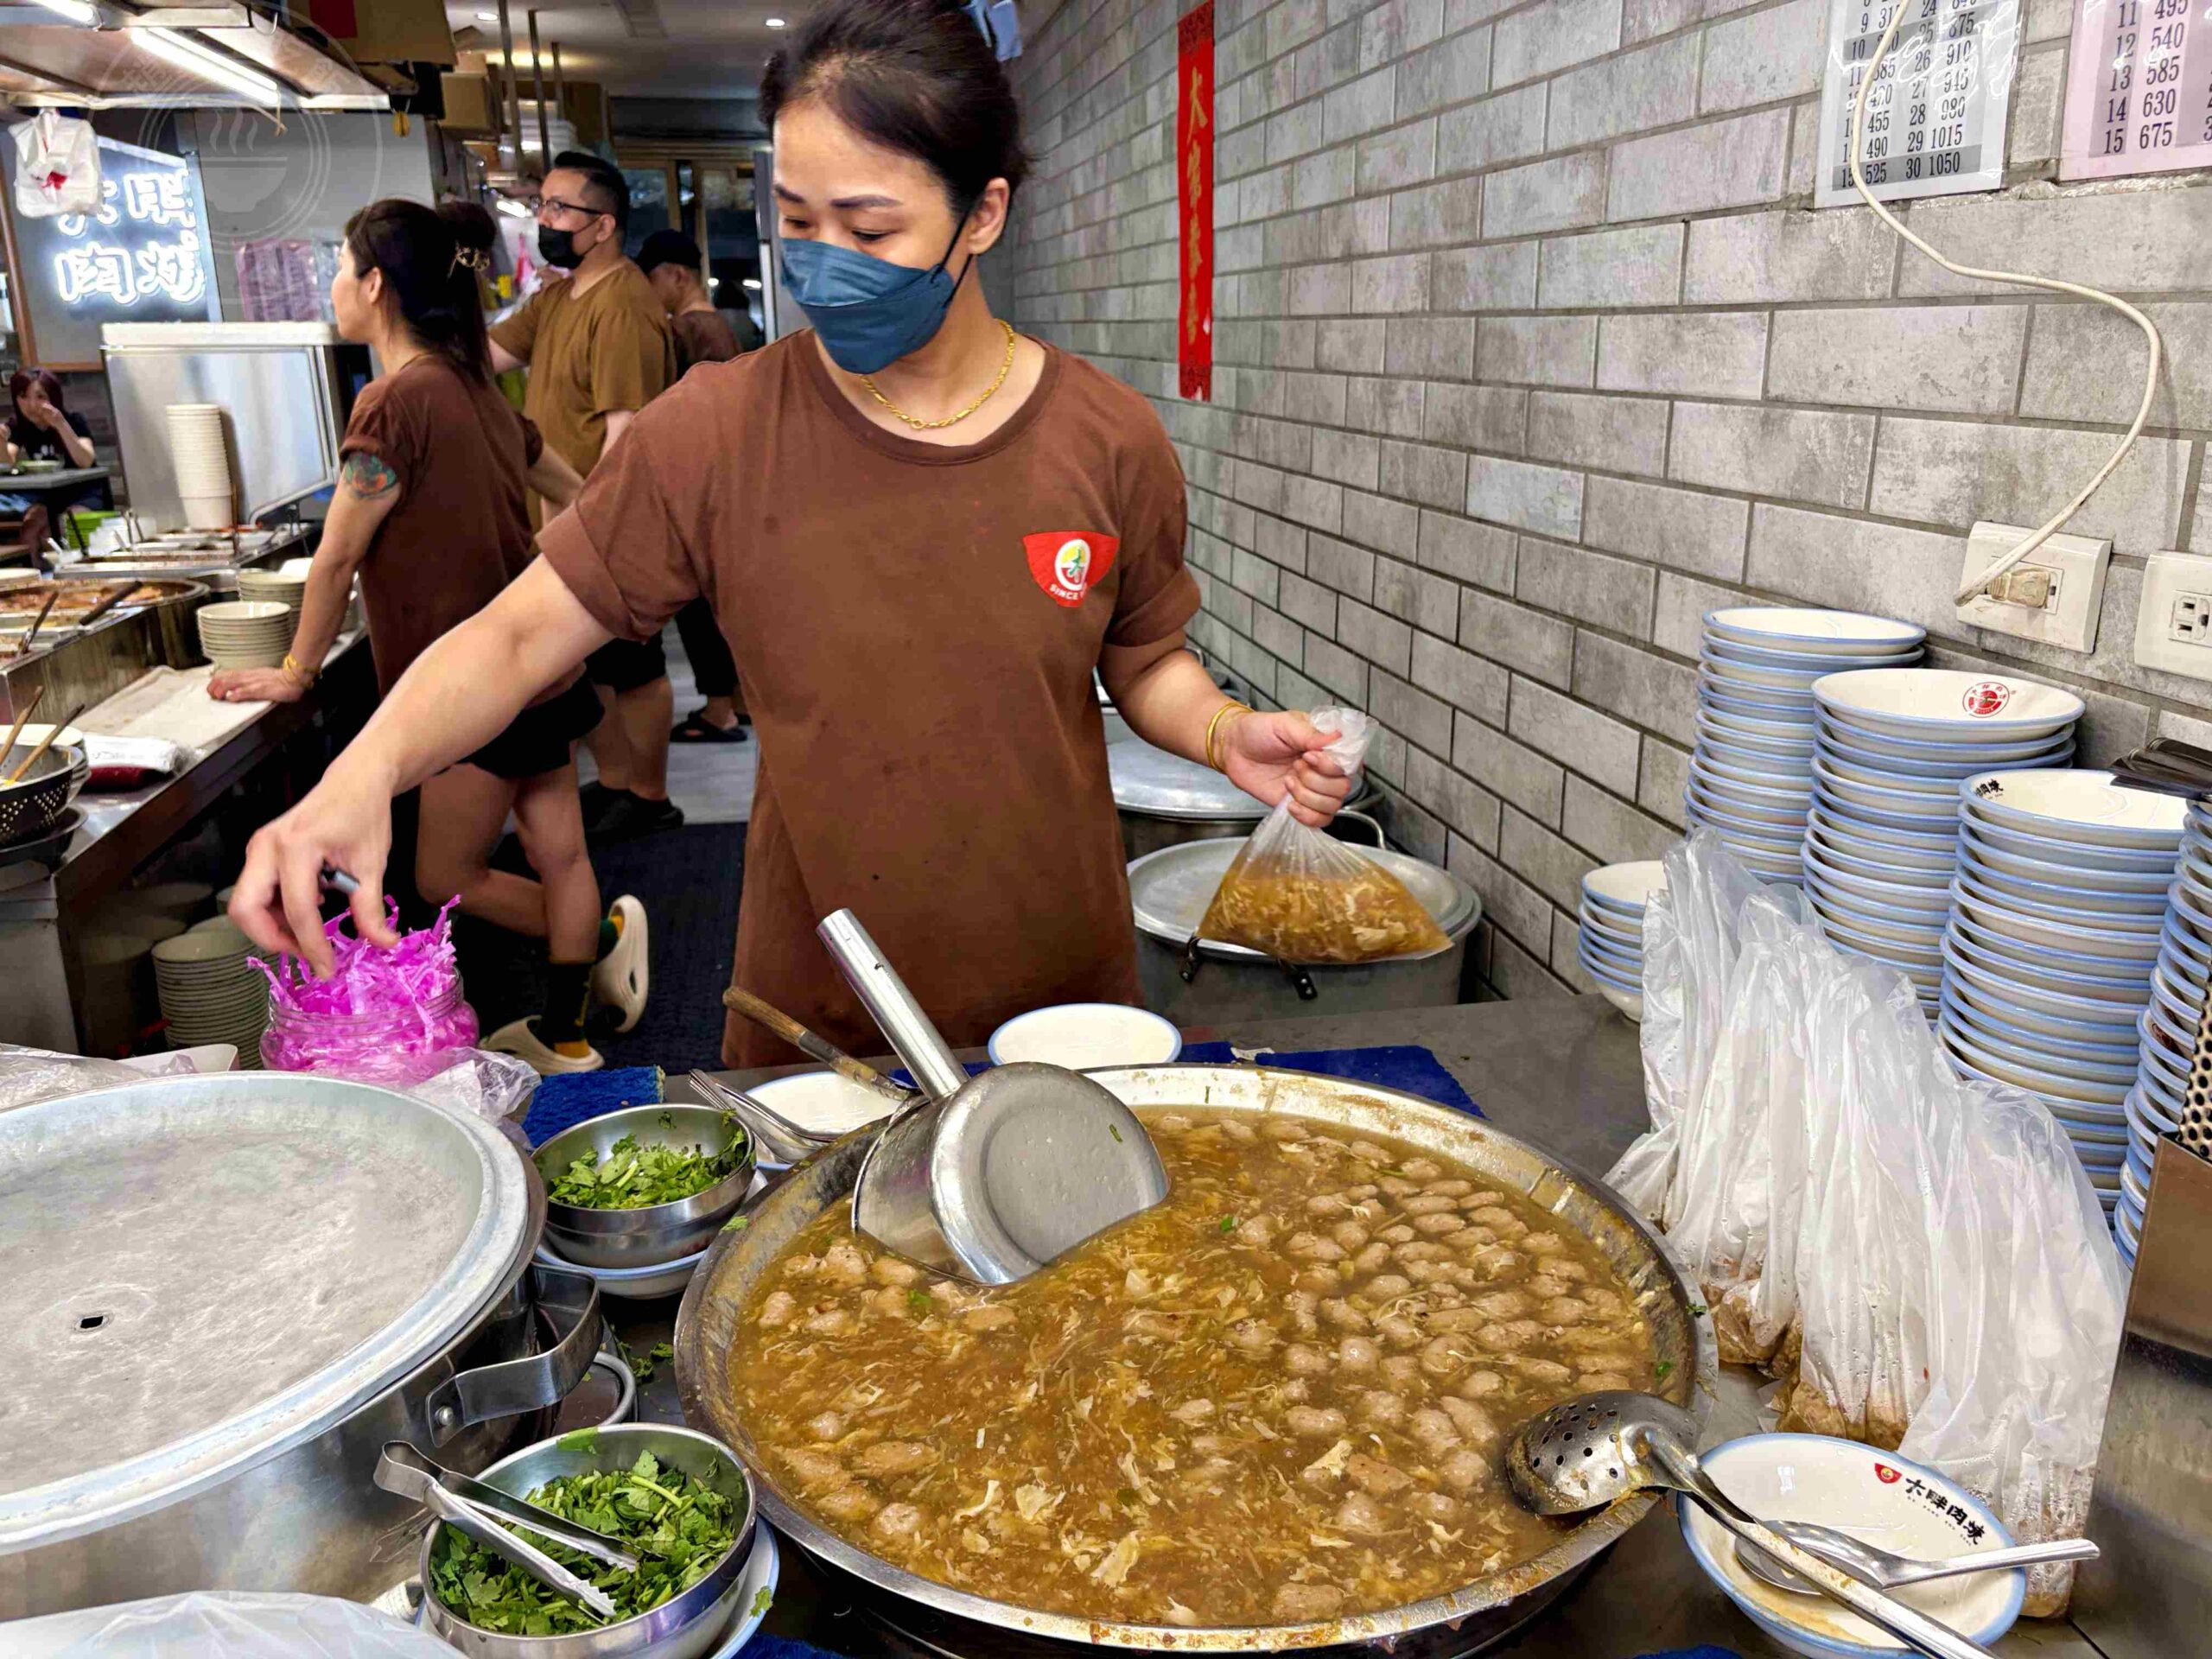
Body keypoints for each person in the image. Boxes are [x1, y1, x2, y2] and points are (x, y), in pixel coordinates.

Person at [226, 0, 1351, 1071]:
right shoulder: (719, 431)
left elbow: (1144, 662)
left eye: (868, 227)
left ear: (984, 214)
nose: (824, 260)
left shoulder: (1105, 437)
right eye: (798, 221)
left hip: (1062, 1002)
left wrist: (1222, 732)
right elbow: (516, 636)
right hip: (821, 1017)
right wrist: (365, 769)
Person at [209, 198, 649, 1075]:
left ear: (375, 284)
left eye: (342, 268)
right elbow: (578, 493)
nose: (335, 286)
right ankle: (568, 1030)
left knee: (444, 878)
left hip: (459, 686)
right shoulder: (478, 389)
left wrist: (295, 670)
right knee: (560, 853)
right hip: (540, 669)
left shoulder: (393, 401)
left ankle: (598, 950)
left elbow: (337, 558)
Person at [490, 150, 683, 843]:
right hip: (562, 522)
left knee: (632, 667)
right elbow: (487, 356)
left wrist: (595, 531)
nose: (544, 220)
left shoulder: (624, 304)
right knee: (586, 665)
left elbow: (625, 435)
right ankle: (622, 782)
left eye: (558, 209)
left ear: (603, 226)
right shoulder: (557, 298)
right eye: (541, 205)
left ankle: (650, 796)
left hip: (609, 522)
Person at [636, 228, 751, 747]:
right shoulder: (720, 328)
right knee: (722, 604)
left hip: (701, 488)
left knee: (698, 606)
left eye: (652, 279)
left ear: (676, 276)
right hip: (724, 485)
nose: (648, 292)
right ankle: (739, 701)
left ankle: (719, 710)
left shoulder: (688, 331)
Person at [3, 370, 99, 553]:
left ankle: (74, 570)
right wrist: (1, 442)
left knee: (64, 529)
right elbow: (7, 463)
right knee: (30, 529)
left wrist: (60, 424)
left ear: (53, 397)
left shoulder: (73, 421)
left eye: (40, 397)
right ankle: (34, 570)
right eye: (23, 396)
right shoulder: (19, 425)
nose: (32, 405)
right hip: (47, 496)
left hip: (83, 493)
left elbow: (86, 461)